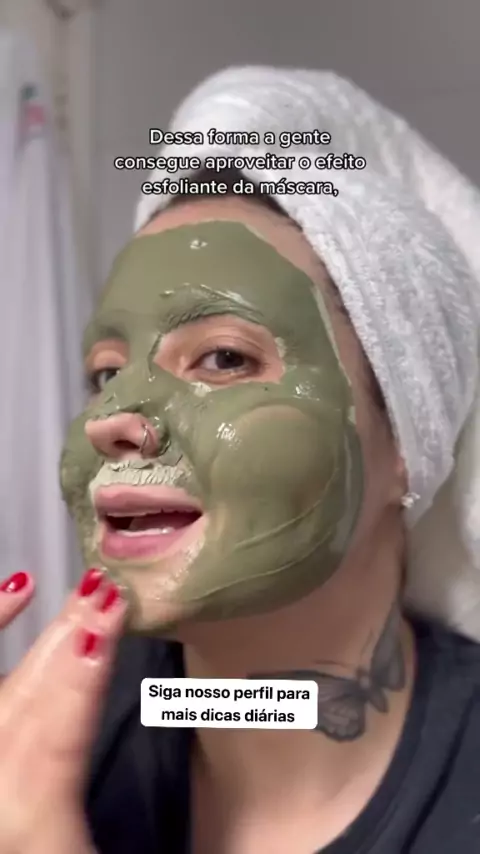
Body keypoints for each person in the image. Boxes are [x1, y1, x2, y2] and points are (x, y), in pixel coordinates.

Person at [2, 66, 480, 854]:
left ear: (407, 441)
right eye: (106, 374)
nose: (113, 419)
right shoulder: (38, 749)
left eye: (222, 358)